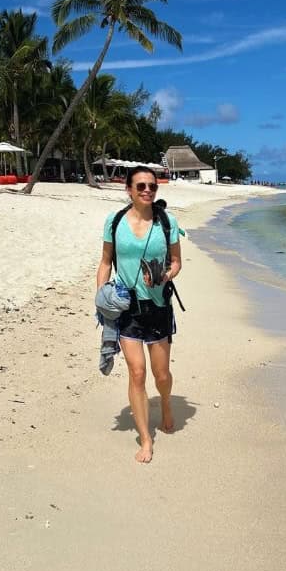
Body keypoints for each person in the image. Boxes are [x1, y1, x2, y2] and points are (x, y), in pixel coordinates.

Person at [97, 165, 182, 463]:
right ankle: (146, 439)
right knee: (137, 372)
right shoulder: (115, 221)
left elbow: (176, 263)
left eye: (152, 187)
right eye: (141, 186)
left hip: (158, 307)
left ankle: (167, 403)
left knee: (161, 374)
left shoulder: (167, 221)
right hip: (126, 307)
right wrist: (102, 298)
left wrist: (164, 277)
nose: (147, 191)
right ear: (129, 189)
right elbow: (106, 262)